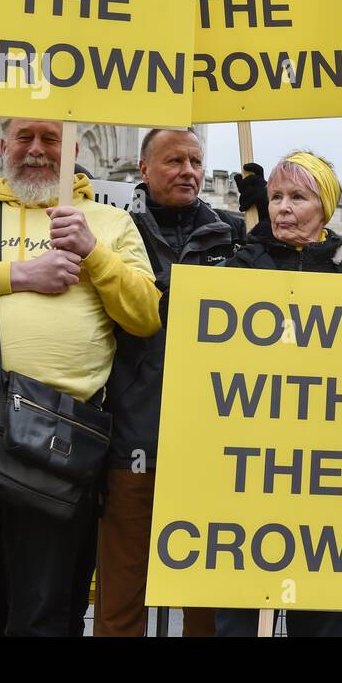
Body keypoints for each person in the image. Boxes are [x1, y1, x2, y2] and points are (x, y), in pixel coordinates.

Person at [0, 119, 161, 636]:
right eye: (24, 138)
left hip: (56, 445)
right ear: (2, 146)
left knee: (44, 616)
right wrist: (18, 274)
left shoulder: (110, 222)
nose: (37, 150)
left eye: (51, 139)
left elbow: (145, 315)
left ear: (74, 149)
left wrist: (94, 253)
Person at [95, 128, 257, 637]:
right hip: (133, 437)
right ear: (143, 169)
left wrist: (267, 225)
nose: (188, 171)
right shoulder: (116, 232)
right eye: (174, 162)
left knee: (206, 604)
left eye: (195, 161)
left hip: (213, 446)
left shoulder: (236, 233)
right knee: (122, 594)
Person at [214, 151, 342, 637]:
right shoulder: (240, 266)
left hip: (325, 487)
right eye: (276, 197)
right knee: (238, 622)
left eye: (298, 197)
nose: (283, 207)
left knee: (320, 622)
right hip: (248, 477)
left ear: (324, 208)